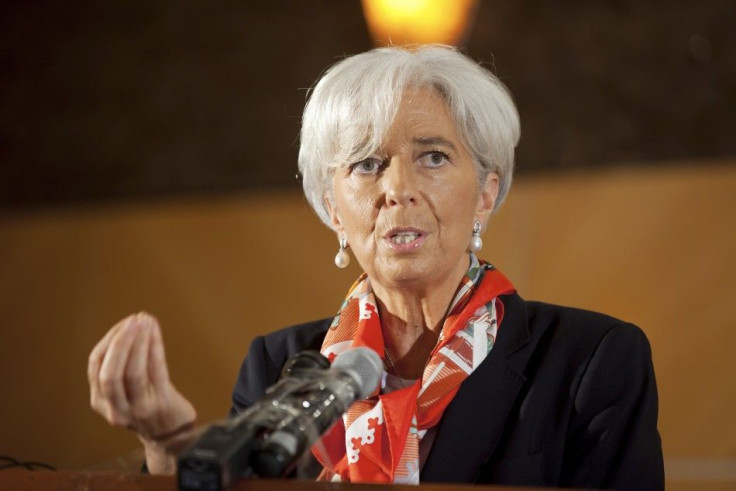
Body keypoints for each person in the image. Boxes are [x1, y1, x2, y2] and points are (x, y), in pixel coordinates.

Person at [88, 45, 664, 488]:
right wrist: (168, 440)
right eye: (366, 164)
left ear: (486, 194)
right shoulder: (280, 367)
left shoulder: (591, 360)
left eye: (433, 156)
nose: (398, 190)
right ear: (333, 208)